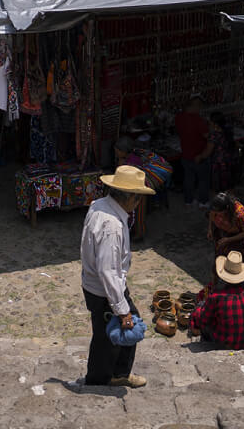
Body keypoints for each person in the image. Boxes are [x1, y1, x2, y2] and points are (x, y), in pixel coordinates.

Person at [80, 165, 155, 388]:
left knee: (106, 334)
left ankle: (116, 372)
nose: (139, 203)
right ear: (130, 197)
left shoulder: (100, 205)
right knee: (120, 330)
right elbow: (108, 272)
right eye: (138, 198)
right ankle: (101, 379)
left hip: (96, 285)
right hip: (103, 289)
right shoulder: (111, 225)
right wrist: (122, 311)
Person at [189, 250, 244, 350]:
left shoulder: (217, 297)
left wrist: (197, 311)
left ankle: (204, 345)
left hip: (229, 346)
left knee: (200, 313)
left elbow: (204, 319)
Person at [175, 96, 213, 207]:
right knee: (203, 180)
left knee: (188, 178)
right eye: (199, 106)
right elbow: (208, 136)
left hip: (186, 153)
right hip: (199, 155)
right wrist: (211, 127)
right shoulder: (198, 120)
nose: (200, 109)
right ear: (194, 106)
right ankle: (203, 201)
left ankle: (188, 200)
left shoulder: (179, 117)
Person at [208, 191, 244, 265]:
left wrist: (228, 240)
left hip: (236, 237)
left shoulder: (240, 214)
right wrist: (210, 229)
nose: (217, 215)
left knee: (234, 261)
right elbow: (211, 215)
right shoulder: (215, 208)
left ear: (226, 209)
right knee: (219, 257)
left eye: (219, 213)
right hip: (222, 232)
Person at [208, 111, 236, 192]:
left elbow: (208, 151)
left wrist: (199, 157)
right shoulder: (228, 131)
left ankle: (218, 203)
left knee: (217, 189)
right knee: (229, 186)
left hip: (218, 165)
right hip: (229, 162)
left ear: (215, 124)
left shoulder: (214, 135)